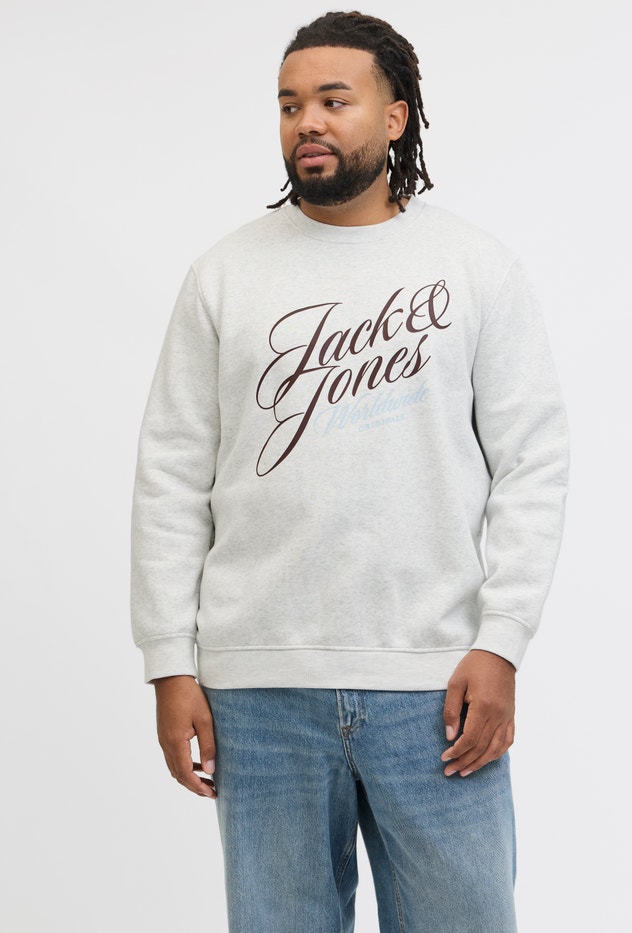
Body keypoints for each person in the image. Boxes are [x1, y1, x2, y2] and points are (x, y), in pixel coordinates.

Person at [131, 10, 569, 932]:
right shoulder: (224, 276)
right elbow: (171, 475)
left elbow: (532, 464)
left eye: (335, 100)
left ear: (395, 117)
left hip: (437, 685)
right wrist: (170, 662)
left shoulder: (475, 268)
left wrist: (502, 642)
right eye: (290, 104)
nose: (309, 122)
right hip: (259, 692)